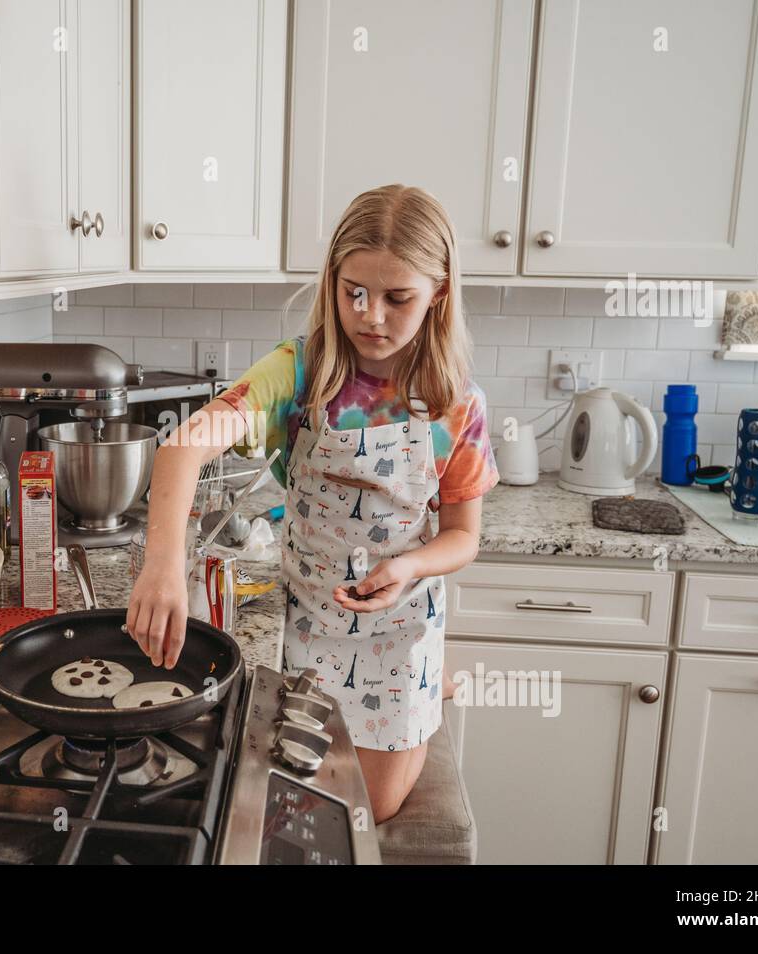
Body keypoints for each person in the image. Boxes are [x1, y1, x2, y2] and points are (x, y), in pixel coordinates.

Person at [126, 184, 498, 823]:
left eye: (396, 297)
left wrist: (409, 566)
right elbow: (182, 448)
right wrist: (163, 566)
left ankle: (420, 718)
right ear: (331, 279)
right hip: (311, 625)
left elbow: (463, 536)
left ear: (438, 292)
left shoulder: (455, 403)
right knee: (313, 801)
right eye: (354, 290)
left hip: (403, 630)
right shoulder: (300, 373)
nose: (370, 314)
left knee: (371, 810)